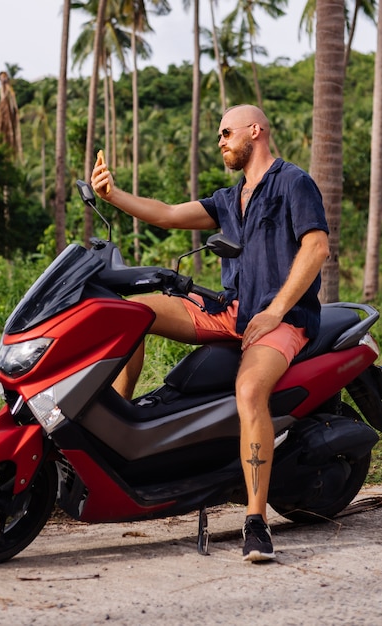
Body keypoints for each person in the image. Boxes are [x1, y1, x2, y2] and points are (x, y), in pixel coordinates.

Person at [91, 104, 330, 562]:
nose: (220, 141)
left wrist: (277, 311)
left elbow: (317, 246)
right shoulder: (230, 198)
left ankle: (256, 522)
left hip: (281, 317)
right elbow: (166, 214)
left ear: (254, 131)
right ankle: (117, 426)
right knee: (128, 313)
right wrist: (114, 195)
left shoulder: (292, 182)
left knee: (249, 391)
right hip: (232, 310)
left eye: (226, 133)